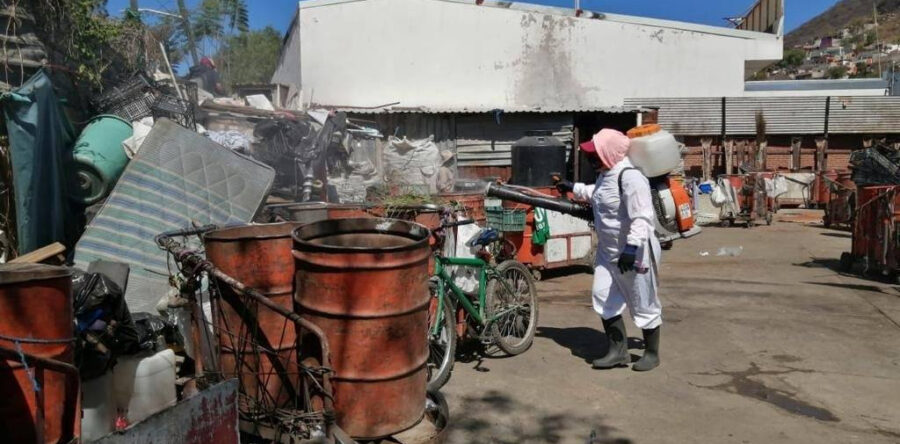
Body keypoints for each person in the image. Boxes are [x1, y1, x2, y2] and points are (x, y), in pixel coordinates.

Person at [556, 129, 663, 372]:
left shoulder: (631, 177)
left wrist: (632, 247)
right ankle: (618, 351)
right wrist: (573, 187)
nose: (592, 160)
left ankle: (652, 353)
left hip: (635, 252)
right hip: (608, 251)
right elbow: (598, 194)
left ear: (610, 153)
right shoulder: (607, 175)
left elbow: (642, 217)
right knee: (603, 296)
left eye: (596, 155)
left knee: (643, 301)